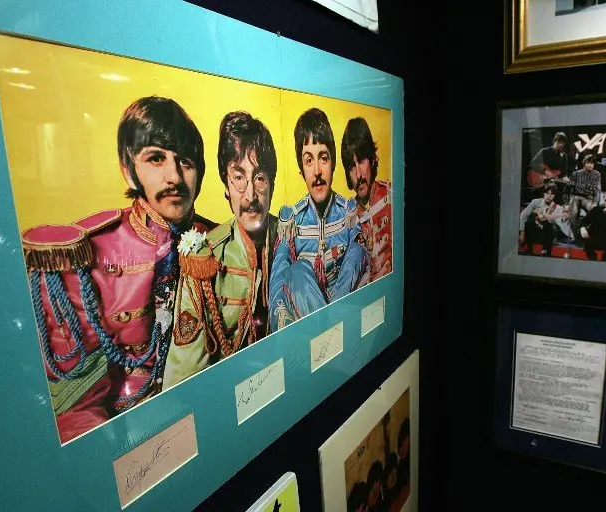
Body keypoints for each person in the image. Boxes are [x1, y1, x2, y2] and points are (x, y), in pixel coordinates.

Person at [21, 96, 215, 442]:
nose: (174, 176)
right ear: (129, 169)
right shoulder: (87, 254)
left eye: (185, 162)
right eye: (156, 158)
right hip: (127, 437)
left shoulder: (216, 239)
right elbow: (76, 410)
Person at [162, 111, 279, 388]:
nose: (250, 196)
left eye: (260, 178)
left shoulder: (293, 239)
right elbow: (185, 381)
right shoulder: (204, 258)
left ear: (272, 183)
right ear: (226, 185)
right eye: (239, 178)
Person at [269, 108, 369, 330]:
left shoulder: (347, 211)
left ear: (333, 163)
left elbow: (362, 265)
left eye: (323, 158)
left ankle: (333, 329)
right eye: (308, 161)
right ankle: (329, 332)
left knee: (358, 251)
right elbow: (277, 280)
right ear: (301, 171)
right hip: (306, 321)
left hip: (346, 311)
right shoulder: (291, 218)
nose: (317, 171)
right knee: (296, 270)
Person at [341, 117, 393, 282]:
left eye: (361, 160)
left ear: (372, 159)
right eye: (351, 166)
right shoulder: (346, 214)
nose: (358, 175)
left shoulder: (392, 195)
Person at [519, 183, 571, 256]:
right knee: (530, 219)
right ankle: (529, 249)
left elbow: (562, 223)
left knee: (548, 224)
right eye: (547, 193)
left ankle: (546, 252)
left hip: (548, 235)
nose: (549, 196)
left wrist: (561, 216)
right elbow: (523, 215)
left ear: (555, 196)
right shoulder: (536, 202)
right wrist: (522, 233)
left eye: (552, 194)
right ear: (544, 193)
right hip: (534, 232)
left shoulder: (557, 207)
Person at [568, 154, 601, 235]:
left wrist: (595, 202)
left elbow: (598, 189)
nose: (590, 165)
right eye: (588, 162)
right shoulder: (576, 174)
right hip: (576, 196)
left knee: (595, 210)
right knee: (574, 211)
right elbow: (568, 189)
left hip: (588, 198)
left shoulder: (597, 174)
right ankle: (575, 234)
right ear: (584, 163)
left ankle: (590, 232)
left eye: (592, 163)